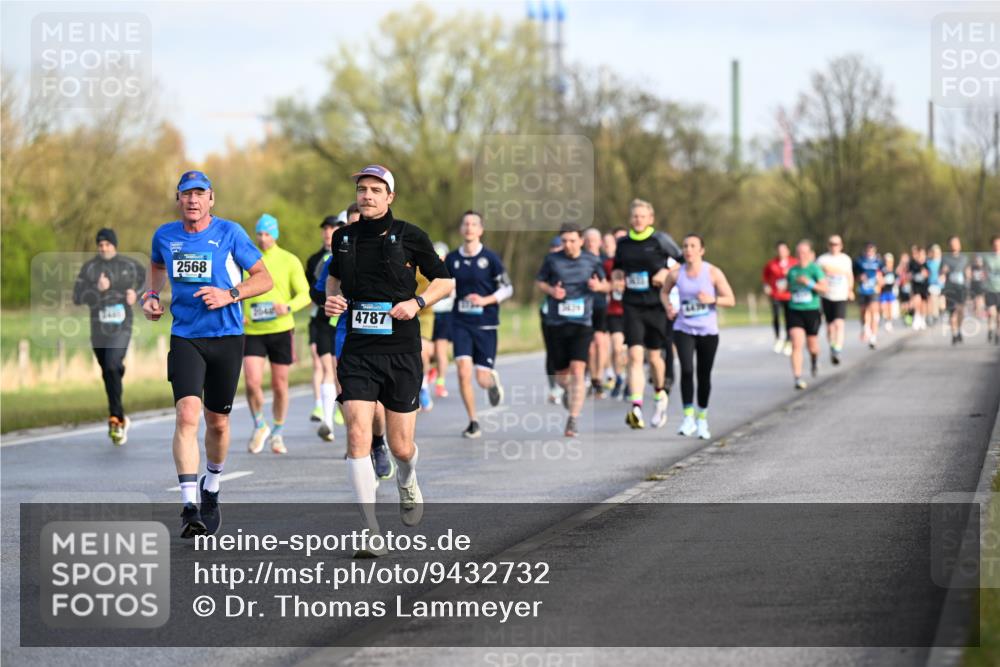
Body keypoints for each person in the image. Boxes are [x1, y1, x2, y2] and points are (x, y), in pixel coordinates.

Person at [324, 165, 453, 557]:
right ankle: (370, 530)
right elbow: (333, 279)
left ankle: (408, 477)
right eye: (362, 189)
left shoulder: (411, 236)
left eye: (375, 190)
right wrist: (332, 300)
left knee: (400, 446)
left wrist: (417, 303)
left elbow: (445, 281)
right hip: (358, 350)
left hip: (401, 350)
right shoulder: (343, 238)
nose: (367, 195)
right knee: (357, 436)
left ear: (389, 196)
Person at [143, 170, 273, 538]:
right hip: (186, 336)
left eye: (200, 194)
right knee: (187, 414)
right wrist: (151, 296)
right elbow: (156, 265)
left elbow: (264, 278)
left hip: (226, 336)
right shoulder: (165, 236)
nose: (193, 200)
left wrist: (229, 295)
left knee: (217, 423)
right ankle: (189, 506)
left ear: (211, 199)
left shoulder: (230, 233)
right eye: (187, 194)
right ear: (178, 199)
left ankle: (211, 487)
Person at [242, 214, 312, 454]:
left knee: (279, 384)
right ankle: (260, 425)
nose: (263, 238)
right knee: (251, 382)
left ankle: (278, 432)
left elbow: (305, 294)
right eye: (259, 234)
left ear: (275, 235)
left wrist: (288, 307)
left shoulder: (289, 260)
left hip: (281, 329)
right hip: (252, 330)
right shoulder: (247, 258)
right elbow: (234, 289)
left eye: (267, 234)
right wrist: (238, 313)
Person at [612, 199, 682, 429]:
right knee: (634, 355)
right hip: (632, 305)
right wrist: (618, 280)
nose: (638, 220)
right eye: (635, 216)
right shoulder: (623, 244)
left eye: (642, 216)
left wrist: (666, 272)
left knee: (654, 358)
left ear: (650, 219)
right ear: (630, 219)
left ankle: (660, 394)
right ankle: (636, 407)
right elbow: (617, 269)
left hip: (655, 305)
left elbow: (682, 262)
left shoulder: (660, 240)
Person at [72, 228, 146, 445]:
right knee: (109, 370)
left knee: (112, 365)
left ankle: (115, 419)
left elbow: (149, 280)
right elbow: (77, 296)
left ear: (115, 245)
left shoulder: (129, 265)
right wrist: (97, 289)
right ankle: (120, 415)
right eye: (100, 245)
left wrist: (136, 294)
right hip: (98, 328)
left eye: (107, 244)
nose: (104, 248)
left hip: (122, 325)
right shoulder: (90, 268)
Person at [536, 223, 609, 437]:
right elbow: (540, 282)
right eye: (564, 241)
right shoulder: (552, 259)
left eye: (572, 241)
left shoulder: (592, 260)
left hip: (582, 324)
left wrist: (598, 287)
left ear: (581, 241)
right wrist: (552, 290)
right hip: (556, 324)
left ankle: (573, 419)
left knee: (578, 370)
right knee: (561, 376)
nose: (568, 245)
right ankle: (568, 390)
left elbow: (606, 285)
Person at [662, 234, 735, 440]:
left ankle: (702, 419)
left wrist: (712, 300)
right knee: (686, 370)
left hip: (707, 331)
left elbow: (730, 299)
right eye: (685, 246)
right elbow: (664, 292)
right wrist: (668, 306)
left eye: (693, 246)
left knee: (704, 375)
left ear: (702, 250)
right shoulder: (675, 274)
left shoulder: (712, 272)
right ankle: (688, 418)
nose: (688, 250)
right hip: (683, 328)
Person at [445, 211, 511, 438]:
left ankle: (491, 383)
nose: (469, 227)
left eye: (474, 224)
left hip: (485, 324)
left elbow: (507, 288)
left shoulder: (490, 258)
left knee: (481, 379)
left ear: (481, 230)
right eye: (466, 224)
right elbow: (445, 285)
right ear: (461, 229)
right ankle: (473, 421)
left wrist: (486, 300)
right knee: (463, 372)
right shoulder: (452, 259)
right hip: (460, 323)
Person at [306, 213, 344, 429]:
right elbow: (313, 291)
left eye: (334, 227)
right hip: (323, 319)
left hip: (351, 322)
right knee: (326, 365)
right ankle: (326, 417)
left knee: (340, 370)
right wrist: (326, 301)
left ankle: (341, 408)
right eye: (327, 228)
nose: (329, 232)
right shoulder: (318, 260)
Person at [785, 240, 829, 390]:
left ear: (810, 254)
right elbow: (788, 288)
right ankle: (797, 377)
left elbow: (824, 289)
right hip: (795, 310)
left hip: (811, 311)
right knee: (796, 344)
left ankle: (814, 359)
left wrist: (809, 283)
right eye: (798, 253)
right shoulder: (792, 271)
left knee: (812, 347)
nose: (801, 255)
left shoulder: (815, 269)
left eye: (804, 252)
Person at [583, 227, 611, 398]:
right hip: (583, 306)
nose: (591, 244)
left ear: (600, 243)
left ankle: (598, 378)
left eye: (594, 241)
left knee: (600, 342)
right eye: (588, 241)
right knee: (590, 347)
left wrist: (599, 286)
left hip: (600, 305)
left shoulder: (605, 261)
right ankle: (591, 377)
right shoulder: (579, 259)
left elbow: (611, 286)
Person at [816, 235, 853, 365]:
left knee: (839, 323)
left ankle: (838, 349)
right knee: (830, 326)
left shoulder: (845, 259)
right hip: (826, 295)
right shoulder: (822, 259)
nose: (834, 246)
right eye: (831, 244)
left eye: (836, 244)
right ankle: (832, 346)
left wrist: (850, 290)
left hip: (840, 295)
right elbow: (817, 275)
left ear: (841, 245)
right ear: (828, 245)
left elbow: (849, 275)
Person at [428, 241, 455, 399]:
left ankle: (440, 383)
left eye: (442, 257)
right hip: (429, 314)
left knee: (440, 351)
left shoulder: (451, 271)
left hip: (445, 314)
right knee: (428, 351)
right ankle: (431, 369)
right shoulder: (426, 268)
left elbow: (452, 292)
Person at [603, 233, 628, 398]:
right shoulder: (607, 264)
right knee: (617, 347)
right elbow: (602, 285)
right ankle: (619, 378)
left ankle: (631, 380)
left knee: (632, 350)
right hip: (614, 311)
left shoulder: (633, 263)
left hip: (632, 311)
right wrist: (612, 285)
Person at [761, 241, 796, 355]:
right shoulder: (771, 264)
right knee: (776, 316)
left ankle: (788, 340)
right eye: (779, 250)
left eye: (783, 250)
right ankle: (777, 338)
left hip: (789, 295)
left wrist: (789, 275)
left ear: (788, 251)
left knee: (788, 318)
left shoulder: (794, 262)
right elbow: (765, 277)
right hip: (776, 294)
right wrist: (766, 286)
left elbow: (799, 275)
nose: (781, 252)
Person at [940, 236, 970, 345]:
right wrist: (943, 272)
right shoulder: (945, 258)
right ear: (949, 245)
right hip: (950, 289)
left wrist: (968, 279)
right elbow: (941, 274)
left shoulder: (964, 258)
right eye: (953, 243)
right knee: (952, 312)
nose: (955, 245)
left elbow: (968, 273)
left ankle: (959, 330)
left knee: (960, 311)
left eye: (957, 243)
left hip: (961, 289)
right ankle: (954, 334)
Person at [854, 242, 884, 349]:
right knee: (863, 311)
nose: (869, 252)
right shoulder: (859, 261)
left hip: (873, 290)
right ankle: (865, 326)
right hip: (863, 290)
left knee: (873, 311)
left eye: (872, 250)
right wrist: (859, 277)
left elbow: (882, 275)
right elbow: (854, 275)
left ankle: (873, 337)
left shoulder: (879, 261)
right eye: (868, 250)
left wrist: (880, 283)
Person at [908, 246, 930, 330]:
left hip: (924, 286)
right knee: (917, 300)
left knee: (923, 303)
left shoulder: (927, 264)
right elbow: (909, 273)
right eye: (920, 254)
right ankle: (917, 317)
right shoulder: (913, 263)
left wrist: (926, 273)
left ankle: (923, 318)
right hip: (916, 286)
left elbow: (929, 274)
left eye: (923, 254)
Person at [984, 235, 1000, 345]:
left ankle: (997, 334)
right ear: (992, 245)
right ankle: (990, 329)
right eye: (995, 244)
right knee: (992, 312)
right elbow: (983, 272)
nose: (997, 246)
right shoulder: (987, 258)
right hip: (990, 289)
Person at [879, 252, 898, 332]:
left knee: (890, 307)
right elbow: (880, 279)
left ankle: (889, 322)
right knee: (883, 307)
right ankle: (885, 319)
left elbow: (897, 280)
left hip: (890, 291)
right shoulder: (883, 270)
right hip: (883, 291)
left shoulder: (893, 271)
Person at [970, 254, 988, 321]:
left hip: (981, 286)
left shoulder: (984, 268)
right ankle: (976, 313)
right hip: (974, 286)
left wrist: (984, 277)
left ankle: (979, 313)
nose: (978, 263)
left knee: (980, 300)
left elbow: (985, 277)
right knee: (975, 301)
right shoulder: (973, 267)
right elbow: (970, 275)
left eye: (980, 261)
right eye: (977, 261)